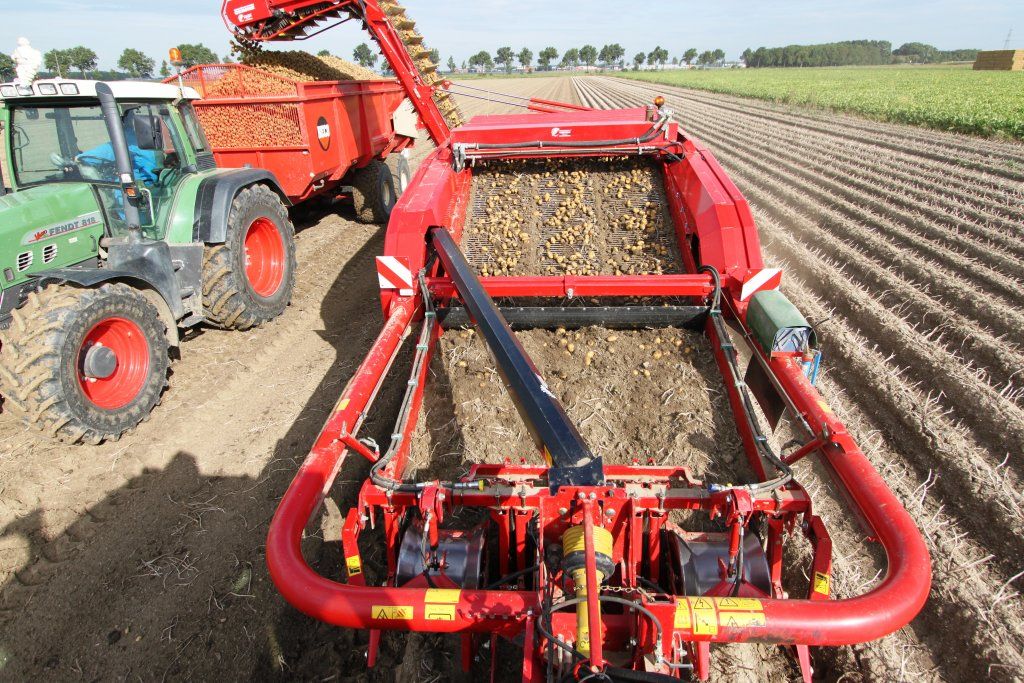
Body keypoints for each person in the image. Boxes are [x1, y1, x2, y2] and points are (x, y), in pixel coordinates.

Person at [76, 109, 159, 185]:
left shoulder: (127, 140)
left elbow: (103, 153)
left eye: (107, 118)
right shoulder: (136, 138)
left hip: (141, 187)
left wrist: (76, 159)